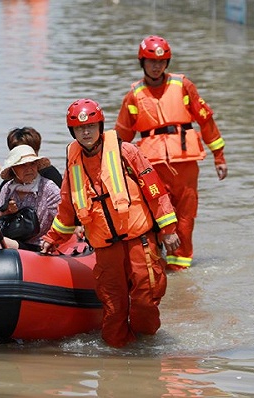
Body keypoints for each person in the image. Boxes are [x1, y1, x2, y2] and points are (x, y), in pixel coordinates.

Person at [41, 99, 180, 348]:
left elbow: (155, 189)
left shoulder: (126, 152)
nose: (86, 132)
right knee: (113, 308)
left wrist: (169, 230)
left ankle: (147, 352)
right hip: (105, 249)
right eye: (80, 129)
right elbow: (66, 207)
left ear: (100, 126)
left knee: (145, 300)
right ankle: (116, 362)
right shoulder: (73, 163)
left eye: (91, 127)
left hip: (139, 240)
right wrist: (52, 238)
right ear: (72, 132)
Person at [114, 35, 228, 270]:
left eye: (162, 61)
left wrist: (219, 157)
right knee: (154, 219)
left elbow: (205, 121)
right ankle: (155, 267)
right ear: (142, 62)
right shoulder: (134, 95)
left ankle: (180, 274)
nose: (157, 66)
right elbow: (121, 137)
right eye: (151, 61)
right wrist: (114, 170)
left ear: (167, 62)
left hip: (185, 167)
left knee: (185, 219)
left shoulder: (183, 85)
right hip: (151, 169)